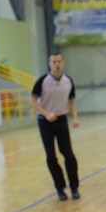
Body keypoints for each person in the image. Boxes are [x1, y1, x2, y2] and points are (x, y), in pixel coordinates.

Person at [30, 52, 81, 201]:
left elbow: (72, 101)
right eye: (54, 62)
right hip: (45, 122)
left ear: (63, 62)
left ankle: (74, 187)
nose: (57, 64)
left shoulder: (68, 81)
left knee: (69, 154)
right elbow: (32, 101)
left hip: (61, 119)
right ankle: (60, 188)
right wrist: (46, 113)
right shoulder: (42, 81)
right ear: (49, 64)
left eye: (59, 61)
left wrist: (75, 117)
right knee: (51, 157)